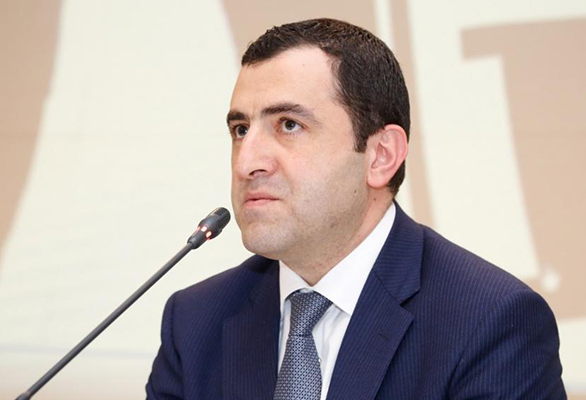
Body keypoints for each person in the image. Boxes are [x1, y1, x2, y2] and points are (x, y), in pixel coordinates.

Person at [146, 18, 566, 400]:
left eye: (289, 125)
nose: (246, 163)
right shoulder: (194, 322)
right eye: (240, 130)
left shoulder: (491, 323)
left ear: (381, 156)